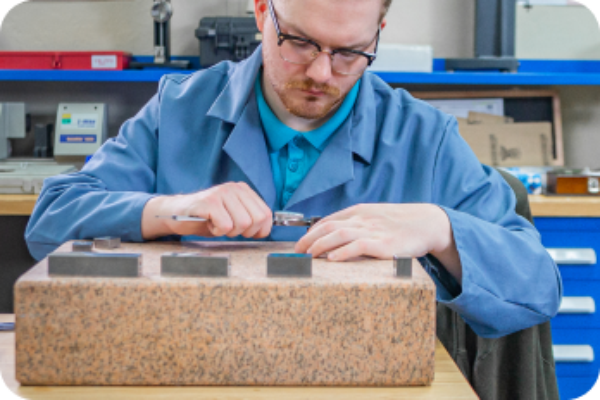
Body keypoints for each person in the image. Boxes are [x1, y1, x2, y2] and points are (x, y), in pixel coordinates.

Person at [25, 0, 561, 397]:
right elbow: (50, 220)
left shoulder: (424, 138)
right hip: (196, 375)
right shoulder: (179, 110)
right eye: (300, 42)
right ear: (262, 12)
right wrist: (168, 210)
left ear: (378, 33)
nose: (322, 74)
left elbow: (538, 285)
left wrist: (441, 229)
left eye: (351, 53)